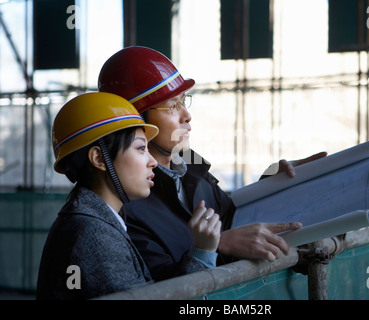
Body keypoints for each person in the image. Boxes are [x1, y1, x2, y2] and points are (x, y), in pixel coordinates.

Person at [98, 46, 326, 281]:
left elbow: (230, 218)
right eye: (173, 106)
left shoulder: (190, 164)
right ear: (136, 120)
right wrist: (218, 245)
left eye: (184, 101)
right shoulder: (123, 205)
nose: (187, 115)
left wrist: (269, 187)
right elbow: (158, 289)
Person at [36, 92, 221, 299]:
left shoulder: (96, 221)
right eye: (141, 148)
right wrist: (202, 254)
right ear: (99, 158)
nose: (152, 162)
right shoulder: (93, 234)